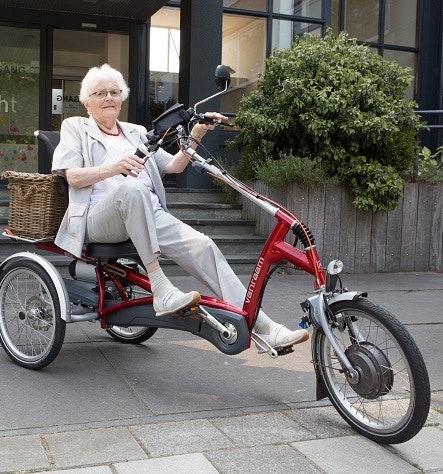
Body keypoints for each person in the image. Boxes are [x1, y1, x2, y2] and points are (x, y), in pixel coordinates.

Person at [52, 63, 309, 349]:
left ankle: (263, 327)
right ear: (88, 102)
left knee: (204, 246)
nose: (109, 98)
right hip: (100, 219)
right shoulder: (75, 127)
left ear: (122, 97)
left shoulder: (135, 132)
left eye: (114, 92)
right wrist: (113, 168)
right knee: (132, 188)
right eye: (100, 93)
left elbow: (173, 165)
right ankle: (160, 286)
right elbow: (72, 176)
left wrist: (198, 132)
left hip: (148, 214)